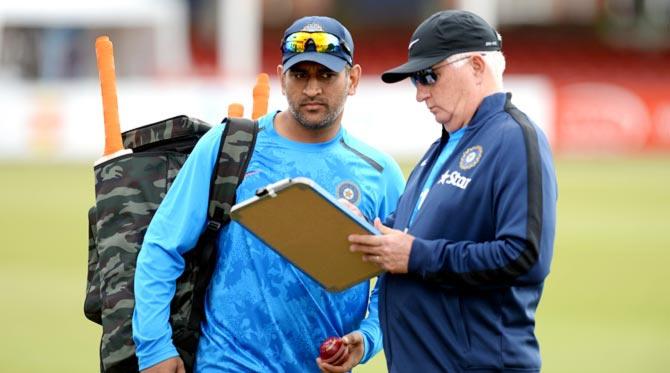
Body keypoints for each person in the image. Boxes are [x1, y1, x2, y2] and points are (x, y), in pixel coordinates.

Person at [132, 16, 405, 373]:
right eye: (300, 75)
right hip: (226, 363)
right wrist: (154, 347)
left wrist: (367, 339)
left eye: (326, 75)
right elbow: (162, 245)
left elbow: (397, 283)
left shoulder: (379, 174)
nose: (311, 89)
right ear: (281, 76)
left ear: (352, 79)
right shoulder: (231, 144)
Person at [347, 10, 558, 373]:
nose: (420, 93)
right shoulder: (439, 149)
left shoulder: (514, 137)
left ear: (476, 66)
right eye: (416, 80)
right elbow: (402, 238)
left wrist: (417, 256)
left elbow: (525, 255)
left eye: (429, 75)